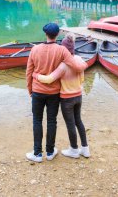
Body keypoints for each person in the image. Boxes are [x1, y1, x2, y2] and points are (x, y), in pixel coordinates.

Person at [26, 23, 87, 163]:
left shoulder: (35, 49)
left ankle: (37, 154)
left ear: (45, 34)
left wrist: (30, 89)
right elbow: (77, 66)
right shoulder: (62, 50)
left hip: (37, 91)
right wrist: (85, 64)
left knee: (37, 120)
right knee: (51, 121)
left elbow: (29, 72)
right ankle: (49, 151)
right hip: (54, 93)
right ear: (57, 35)